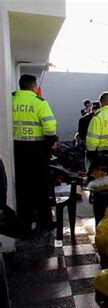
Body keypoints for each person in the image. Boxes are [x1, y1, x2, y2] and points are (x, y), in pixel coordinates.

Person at [11, 74, 57, 235]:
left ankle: (25, 223)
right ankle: (44, 222)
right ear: (33, 87)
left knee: (23, 187)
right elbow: (50, 125)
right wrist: (52, 141)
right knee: (42, 186)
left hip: (15, 149)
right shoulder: (39, 102)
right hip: (37, 150)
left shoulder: (11, 100)